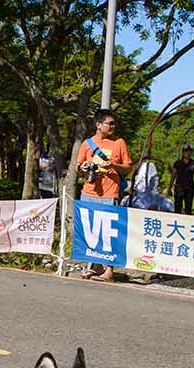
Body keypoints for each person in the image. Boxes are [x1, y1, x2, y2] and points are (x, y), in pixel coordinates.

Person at [76, 108, 132, 281]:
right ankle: (94, 265)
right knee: (91, 232)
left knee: (109, 233)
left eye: (114, 123)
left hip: (109, 193)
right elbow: (78, 167)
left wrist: (113, 166)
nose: (113, 126)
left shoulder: (119, 143)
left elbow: (129, 167)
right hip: (89, 192)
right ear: (99, 125)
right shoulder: (87, 143)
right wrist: (83, 167)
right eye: (110, 123)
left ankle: (109, 270)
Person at [168, 143, 194, 215]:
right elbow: (173, 176)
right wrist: (169, 188)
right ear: (183, 152)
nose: (188, 153)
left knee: (188, 209)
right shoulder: (177, 163)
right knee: (177, 209)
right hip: (179, 188)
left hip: (189, 189)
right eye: (186, 151)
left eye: (190, 151)